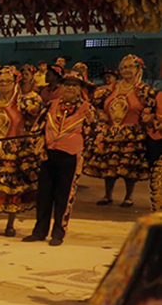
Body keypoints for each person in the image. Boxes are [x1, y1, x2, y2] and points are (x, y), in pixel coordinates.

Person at [23, 73, 96, 246]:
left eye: (74, 85)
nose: (70, 87)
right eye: (67, 84)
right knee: (44, 195)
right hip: (48, 156)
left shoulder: (87, 109)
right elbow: (37, 129)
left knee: (64, 196)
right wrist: (38, 147)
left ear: (80, 89)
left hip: (70, 157)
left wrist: (84, 153)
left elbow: (94, 133)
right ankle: (39, 231)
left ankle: (58, 233)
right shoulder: (50, 105)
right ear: (62, 88)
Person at [0, 66, 43, 237]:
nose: (4, 84)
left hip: (13, 151)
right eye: (1, 82)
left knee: (12, 188)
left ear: (15, 83)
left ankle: (10, 225)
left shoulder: (24, 103)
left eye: (8, 81)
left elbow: (37, 115)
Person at [84, 55, 156, 207]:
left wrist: (147, 118)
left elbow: (151, 110)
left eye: (130, 67)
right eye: (124, 67)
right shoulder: (110, 89)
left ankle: (128, 196)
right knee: (109, 166)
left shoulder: (145, 91)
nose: (127, 70)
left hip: (133, 134)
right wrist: (100, 114)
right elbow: (96, 105)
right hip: (111, 131)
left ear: (138, 69)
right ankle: (107, 195)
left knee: (129, 167)